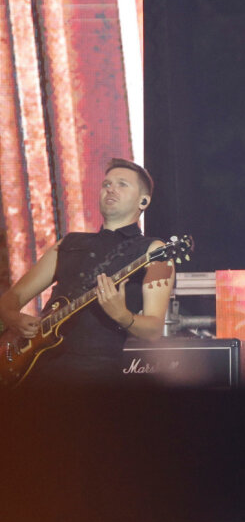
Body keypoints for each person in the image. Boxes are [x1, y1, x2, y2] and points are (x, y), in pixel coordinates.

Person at [0, 158, 174, 386]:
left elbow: (153, 330)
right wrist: (14, 318)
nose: (111, 189)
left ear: (144, 201)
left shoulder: (154, 251)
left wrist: (123, 316)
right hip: (36, 370)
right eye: (106, 184)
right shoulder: (69, 243)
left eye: (122, 184)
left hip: (93, 378)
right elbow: (13, 297)